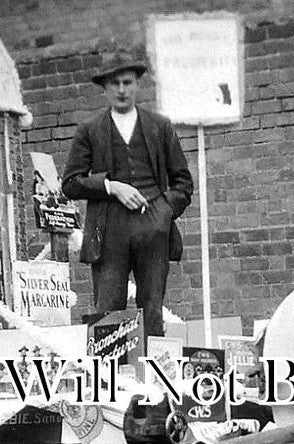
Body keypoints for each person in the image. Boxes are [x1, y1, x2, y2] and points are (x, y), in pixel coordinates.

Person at [61, 53, 194, 338]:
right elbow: (71, 183)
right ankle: (109, 377)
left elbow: (183, 182)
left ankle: (152, 375)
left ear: (137, 85)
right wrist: (111, 187)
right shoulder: (90, 129)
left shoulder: (160, 126)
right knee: (109, 310)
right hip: (109, 230)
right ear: (105, 88)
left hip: (153, 228)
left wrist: (163, 210)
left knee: (152, 308)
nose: (122, 91)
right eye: (115, 84)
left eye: (127, 82)